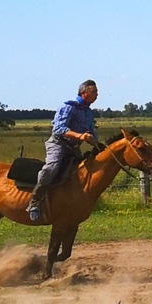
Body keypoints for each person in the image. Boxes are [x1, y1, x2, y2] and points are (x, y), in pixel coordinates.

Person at [31, 79, 99, 222]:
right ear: (84, 92)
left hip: (74, 148)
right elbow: (59, 129)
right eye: (94, 92)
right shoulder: (68, 107)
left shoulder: (88, 112)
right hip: (58, 145)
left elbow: (92, 132)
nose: (97, 95)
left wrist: (98, 145)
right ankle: (35, 202)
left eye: (97, 92)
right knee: (51, 168)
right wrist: (80, 136)